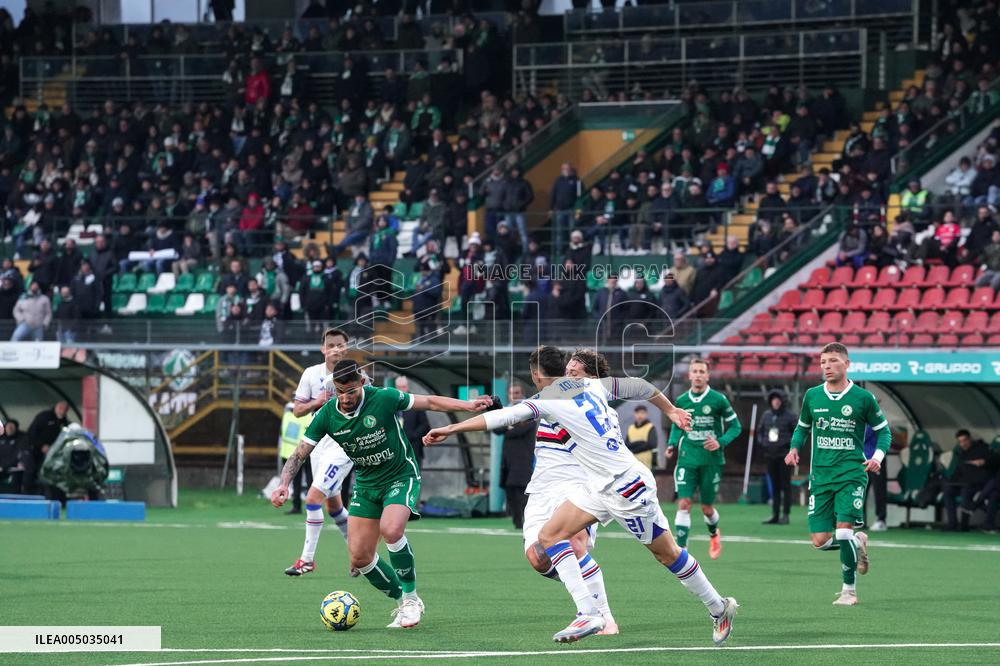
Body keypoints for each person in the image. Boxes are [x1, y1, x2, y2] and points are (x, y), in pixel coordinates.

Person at [423, 346, 738, 646]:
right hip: (600, 486)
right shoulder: (590, 388)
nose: (569, 371)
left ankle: (718, 606)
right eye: (567, 367)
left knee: (666, 553)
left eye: (574, 368)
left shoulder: (554, 397)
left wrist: (450, 430)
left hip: (625, 487)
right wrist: (670, 410)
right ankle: (588, 613)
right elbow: (640, 385)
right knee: (550, 535)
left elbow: (502, 418)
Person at [272, 359, 493, 629]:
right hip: (366, 484)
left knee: (391, 529)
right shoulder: (327, 415)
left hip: (401, 474)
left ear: (362, 383)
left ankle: (411, 599)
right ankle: (403, 601)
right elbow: (299, 454)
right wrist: (284, 484)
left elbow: (430, 402)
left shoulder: (384, 397)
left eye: (351, 391)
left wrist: (468, 406)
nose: (346, 397)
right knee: (360, 557)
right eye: (341, 392)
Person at [784, 342, 891, 606]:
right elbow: (802, 427)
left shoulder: (862, 398)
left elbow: (884, 432)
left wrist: (876, 458)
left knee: (842, 533)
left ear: (847, 364)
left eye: (832, 361)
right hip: (820, 476)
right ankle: (858, 543)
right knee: (820, 541)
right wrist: (794, 448)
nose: (826, 366)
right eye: (822, 362)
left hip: (851, 474)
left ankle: (849, 591)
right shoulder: (812, 396)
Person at [282, 328, 356, 576]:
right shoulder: (311, 374)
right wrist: (317, 402)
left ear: (346, 348)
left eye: (340, 345)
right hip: (318, 446)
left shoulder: (357, 374)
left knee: (312, 498)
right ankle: (360, 556)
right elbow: (298, 410)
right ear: (323, 349)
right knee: (334, 507)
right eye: (331, 345)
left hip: (342, 444)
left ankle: (307, 559)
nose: (336, 348)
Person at [666, 358, 741, 560]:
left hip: (711, 460)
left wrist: (721, 441)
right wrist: (672, 444)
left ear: (707, 376)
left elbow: (736, 427)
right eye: (695, 371)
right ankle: (681, 553)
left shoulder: (718, 400)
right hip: (687, 457)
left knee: (707, 508)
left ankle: (714, 534)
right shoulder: (681, 401)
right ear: (689, 375)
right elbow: (676, 424)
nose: (698, 375)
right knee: (684, 503)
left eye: (702, 371)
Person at [497, 383, 536, 530]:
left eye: (518, 393)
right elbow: (496, 429)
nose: (515, 396)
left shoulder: (530, 410)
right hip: (507, 458)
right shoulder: (506, 410)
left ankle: (528, 521)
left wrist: (508, 426)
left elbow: (519, 431)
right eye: (512, 393)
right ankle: (517, 522)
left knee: (522, 490)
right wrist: (511, 426)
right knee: (510, 489)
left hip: (523, 458)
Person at [758, 389, 796, 525]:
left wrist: (786, 445)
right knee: (774, 486)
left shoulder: (791, 416)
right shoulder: (766, 416)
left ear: (783, 401)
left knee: (786, 486)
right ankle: (775, 514)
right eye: (773, 399)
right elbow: (760, 432)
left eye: (778, 399)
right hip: (770, 456)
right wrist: (763, 443)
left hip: (784, 457)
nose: (776, 402)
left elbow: (797, 435)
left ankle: (785, 515)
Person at [25, 401, 70, 494]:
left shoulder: (65, 422)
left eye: (65, 410)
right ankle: (28, 497)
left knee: (48, 476)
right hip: (35, 452)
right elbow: (32, 433)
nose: (62, 411)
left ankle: (48, 497)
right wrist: (41, 446)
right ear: (56, 407)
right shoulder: (44, 417)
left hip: (53, 454)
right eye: (61, 408)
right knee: (31, 474)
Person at [278, 402, 314, 515]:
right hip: (303, 454)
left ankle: (298, 506)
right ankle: (310, 506)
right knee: (309, 482)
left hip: (293, 454)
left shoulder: (287, 416)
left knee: (300, 482)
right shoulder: (310, 417)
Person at [395, 376, 430, 469]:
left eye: (403, 387)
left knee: (414, 476)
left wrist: (412, 435)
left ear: (407, 387)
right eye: (399, 387)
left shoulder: (416, 402)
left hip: (413, 449)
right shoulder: (393, 403)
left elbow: (425, 425)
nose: (401, 389)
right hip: (396, 450)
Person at [863, 426, 888, 532]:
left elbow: (862, 436)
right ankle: (859, 519)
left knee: (879, 490)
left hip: (876, 460)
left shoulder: (873, 417)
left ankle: (881, 520)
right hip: (863, 460)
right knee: (861, 490)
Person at [625, 405, 657, 470]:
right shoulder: (631, 428)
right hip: (633, 462)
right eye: (638, 413)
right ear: (635, 414)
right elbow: (626, 444)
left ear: (646, 414)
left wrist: (634, 449)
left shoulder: (650, 427)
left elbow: (652, 444)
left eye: (642, 413)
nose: (640, 415)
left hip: (647, 462)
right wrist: (641, 442)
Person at [0, 419, 27, 493]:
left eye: (12, 427)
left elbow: (17, 456)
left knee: (16, 479)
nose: (9, 429)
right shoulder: (2, 438)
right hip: (1, 467)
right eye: (8, 427)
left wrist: (4, 467)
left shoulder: (21, 439)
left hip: (14, 468)